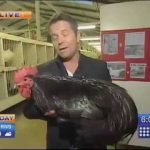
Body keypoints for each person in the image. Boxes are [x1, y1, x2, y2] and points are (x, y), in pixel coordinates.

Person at [20, 13, 111, 149]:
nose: (60, 40)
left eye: (64, 34)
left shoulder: (99, 68)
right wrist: (44, 108)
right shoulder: (43, 71)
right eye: (55, 37)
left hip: (92, 143)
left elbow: (110, 106)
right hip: (59, 143)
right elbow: (28, 111)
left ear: (78, 36)